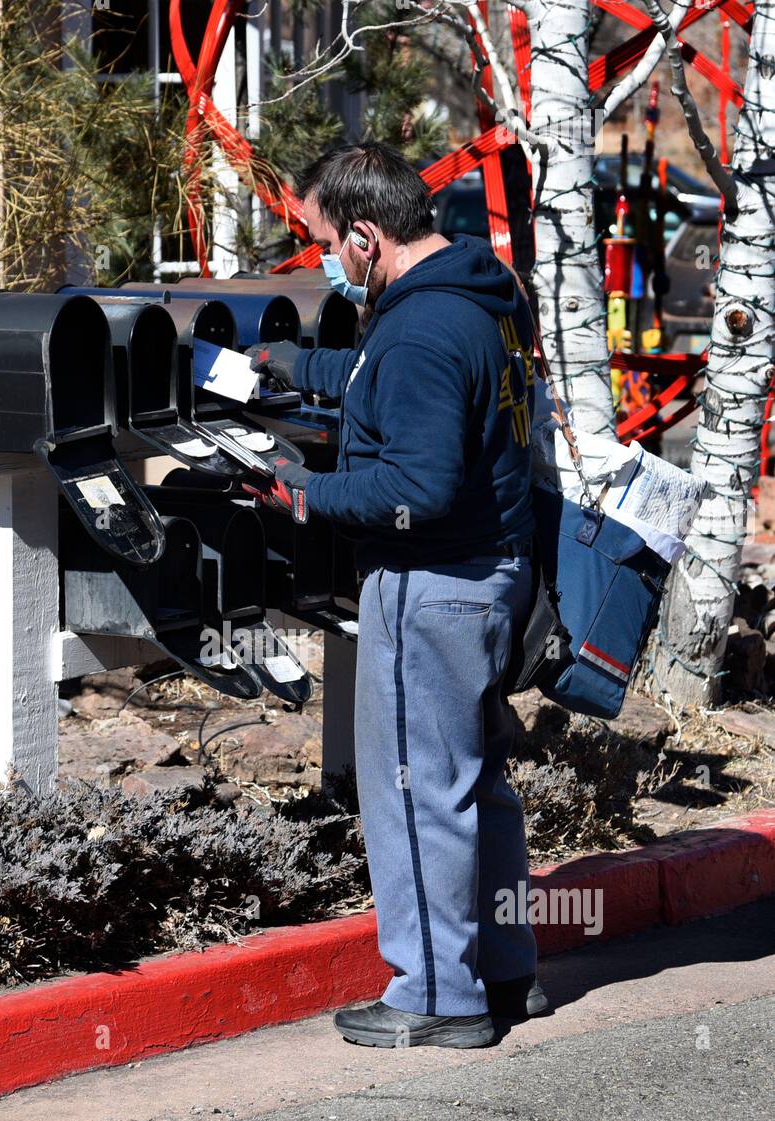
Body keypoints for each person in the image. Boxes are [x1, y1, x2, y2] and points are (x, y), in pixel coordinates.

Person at [246, 142, 549, 1049]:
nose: (329, 261)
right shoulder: (472, 300)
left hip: (432, 586)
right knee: (475, 784)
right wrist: (291, 368)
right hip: (493, 578)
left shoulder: (416, 329)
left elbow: (416, 484)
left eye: (328, 242)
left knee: (416, 795)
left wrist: (304, 494)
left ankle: (431, 994)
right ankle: (502, 970)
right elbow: (395, 386)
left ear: (367, 237)